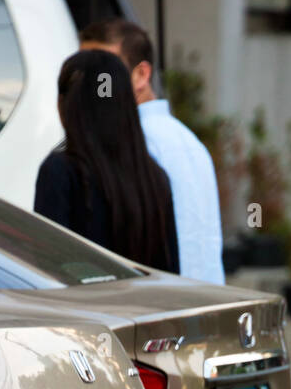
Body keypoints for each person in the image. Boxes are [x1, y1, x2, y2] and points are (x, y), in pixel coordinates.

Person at [79, 18, 224, 285]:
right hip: (201, 303)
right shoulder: (188, 140)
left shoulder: (135, 143)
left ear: (141, 75)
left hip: (162, 304)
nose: (89, 82)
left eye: (103, 71)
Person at [34, 50, 179, 273]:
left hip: (82, 307)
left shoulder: (61, 172)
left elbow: (48, 268)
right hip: (148, 306)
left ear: (66, 106)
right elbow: (170, 273)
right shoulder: (155, 177)